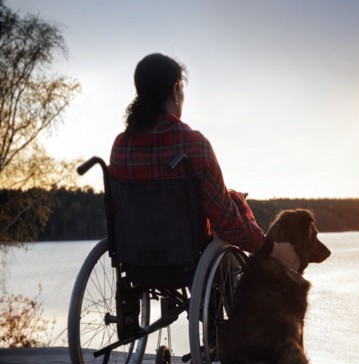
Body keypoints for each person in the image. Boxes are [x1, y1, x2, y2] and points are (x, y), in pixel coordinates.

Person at [110, 52, 299, 271]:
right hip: (188, 261)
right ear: (176, 89)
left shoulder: (120, 147)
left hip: (135, 258)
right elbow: (228, 223)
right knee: (228, 208)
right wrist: (273, 249)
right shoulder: (193, 145)